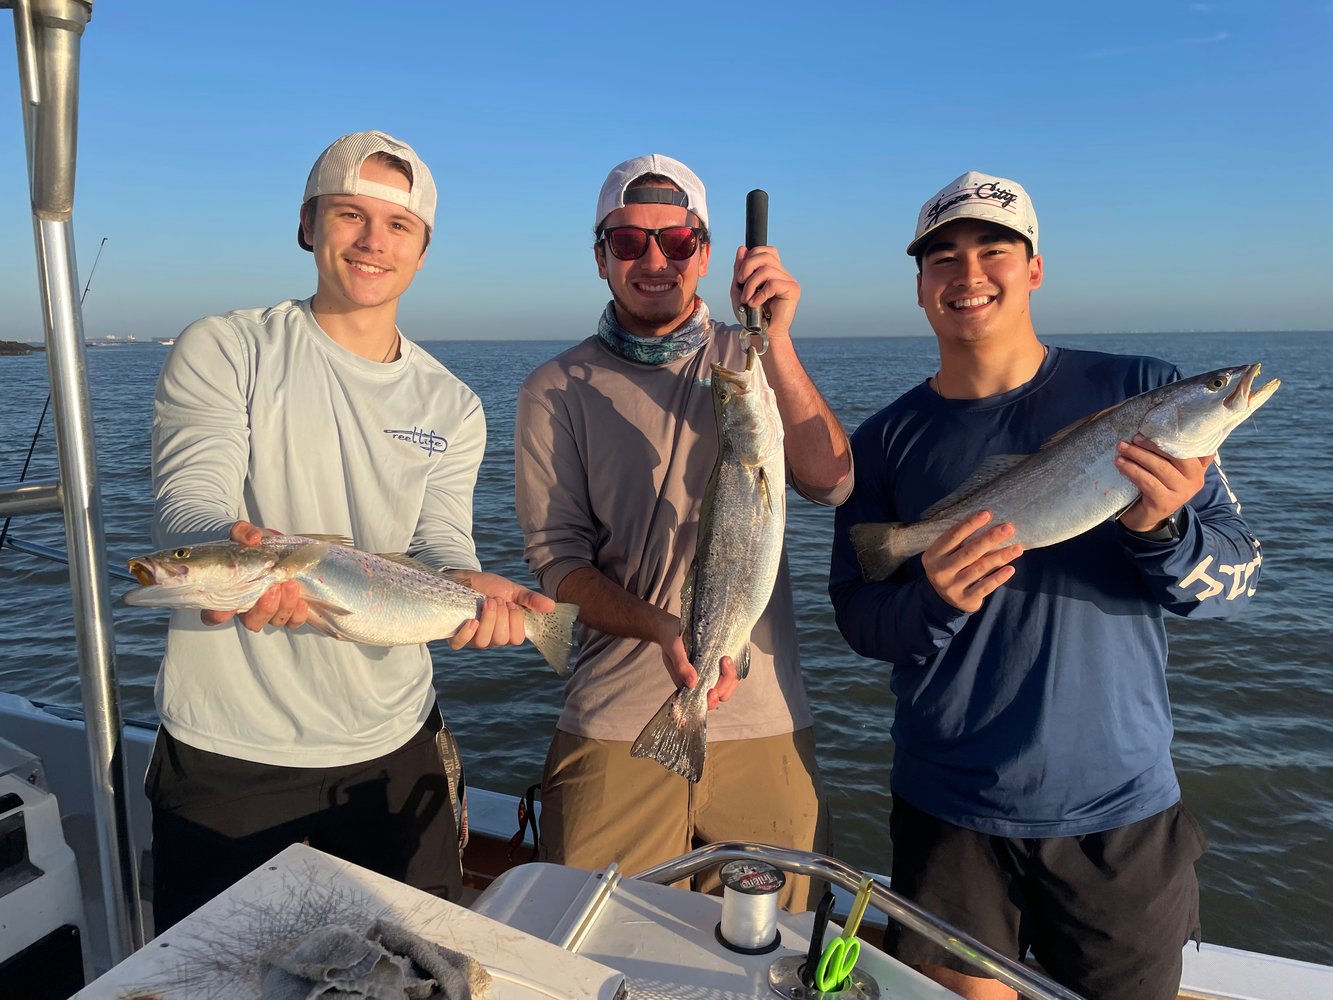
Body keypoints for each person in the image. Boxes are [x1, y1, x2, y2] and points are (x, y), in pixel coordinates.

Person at [828, 171, 1265, 999]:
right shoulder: (884, 439)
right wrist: (933, 600)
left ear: (1034, 268)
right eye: (942, 259)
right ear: (920, 286)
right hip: (945, 805)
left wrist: (1163, 531)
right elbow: (858, 613)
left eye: (995, 250)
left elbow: (1237, 574)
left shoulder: (1139, 388)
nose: (968, 274)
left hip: (1116, 809)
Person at [145, 130, 553, 931]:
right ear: (308, 225)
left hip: (395, 749)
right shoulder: (226, 347)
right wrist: (233, 558)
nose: (373, 242)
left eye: (398, 225)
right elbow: (191, 502)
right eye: (349, 215)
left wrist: (471, 585)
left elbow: (441, 545)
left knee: (409, 971)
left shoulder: (452, 403)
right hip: (226, 755)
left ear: (423, 249)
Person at [513, 154, 852, 911]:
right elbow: (555, 564)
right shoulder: (552, 389)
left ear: (705, 251)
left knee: (773, 957)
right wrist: (661, 628)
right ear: (600, 257)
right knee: (591, 952)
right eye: (629, 242)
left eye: (676, 240)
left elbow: (831, 480)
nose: (654, 260)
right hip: (616, 721)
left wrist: (779, 344)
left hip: (764, 722)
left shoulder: (752, 356)